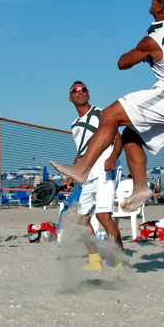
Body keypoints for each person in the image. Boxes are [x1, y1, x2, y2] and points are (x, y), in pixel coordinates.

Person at [51, 0, 164, 212]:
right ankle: (141, 186)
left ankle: (82, 168)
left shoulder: (154, 39)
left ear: (159, 8)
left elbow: (123, 63)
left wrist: (142, 55)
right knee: (130, 134)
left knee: (109, 113)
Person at [58, 81, 124, 272]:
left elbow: (117, 139)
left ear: (89, 95)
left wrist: (113, 157)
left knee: (103, 215)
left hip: (106, 168)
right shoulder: (74, 125)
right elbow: (82, 152)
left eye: (83, 89)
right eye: (75, 91)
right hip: (89, 175)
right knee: (83, 220)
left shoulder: (101, 113)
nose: (80, 92)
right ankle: (95, 261)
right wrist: (71, 175)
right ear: (70, 98)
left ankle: (120, 260)